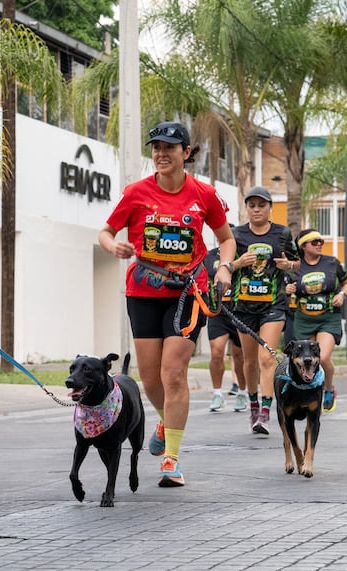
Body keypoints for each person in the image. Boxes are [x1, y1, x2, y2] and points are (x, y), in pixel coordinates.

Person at [98, 121, 236, 487]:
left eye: (170, 148)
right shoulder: (136, 193)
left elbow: (226, 239)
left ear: (186, 153)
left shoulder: (203, 194)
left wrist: (223, 269)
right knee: (150, 377)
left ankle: (171, 459)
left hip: (188, 292)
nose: (161, 153)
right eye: (156, 147)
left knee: (173, 372)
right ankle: (165, 419)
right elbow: (106, 232)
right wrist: (114, 247)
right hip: (143, 291)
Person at [228, 186, 300, 435]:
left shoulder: (282, 233)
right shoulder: (235, 235)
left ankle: (266, 414)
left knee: (266, 357)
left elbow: (296, 262)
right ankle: (253, 404)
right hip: (244, 306)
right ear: (246, 208)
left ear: (270, 208)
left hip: (273, 304)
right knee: (249, 362)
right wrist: (238, 263)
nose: (256, 209)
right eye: (252, 205)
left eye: (261, 205)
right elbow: (223, 265)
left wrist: (288, 264)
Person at [284, 228, 347, 413]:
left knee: (322, 358)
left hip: (328, 317)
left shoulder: (332, 263)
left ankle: (329, 388)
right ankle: (311, 392)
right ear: (303, 246)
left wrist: (342, 294)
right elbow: (286, 290)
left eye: (321, 241)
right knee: (306, 361)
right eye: (315, 242)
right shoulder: (295, 267)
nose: (320, 244)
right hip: (303, 318)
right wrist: (288, 289)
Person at [203, 243, 248, 412]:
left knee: (239, 356)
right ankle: (217, 394)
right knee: (216, 351)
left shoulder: (243, 256)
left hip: (239, 311)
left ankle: (242, 393)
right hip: (217, 311)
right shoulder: (209, 256)